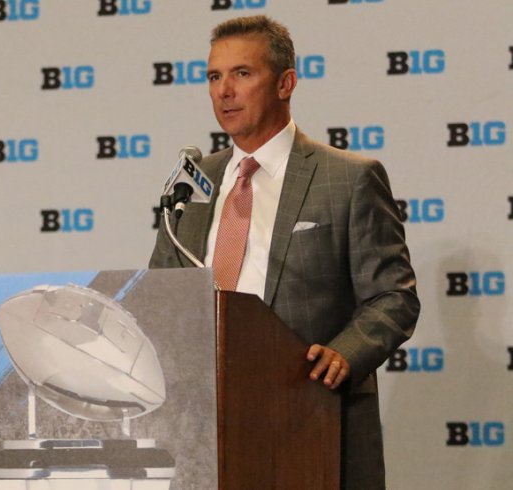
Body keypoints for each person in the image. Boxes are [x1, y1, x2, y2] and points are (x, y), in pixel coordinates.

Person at [149, 15, 419, 490]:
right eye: (214, 77)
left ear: (285, 83)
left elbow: (393, 298)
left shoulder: (348, 178)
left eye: (242, 74)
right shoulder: (194, 185)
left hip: (310, 417)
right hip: (204, 426)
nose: (224, 91)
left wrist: (344, 353)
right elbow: (158, 298)